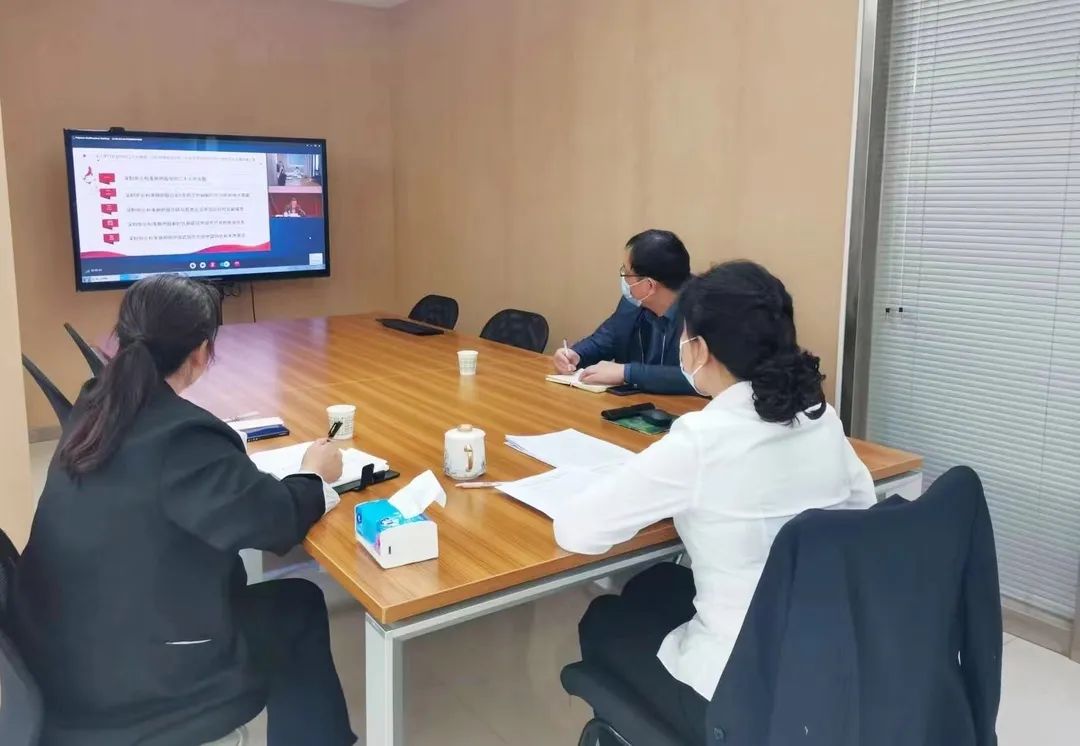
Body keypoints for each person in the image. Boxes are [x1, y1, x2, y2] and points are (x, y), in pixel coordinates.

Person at [10, 275, 356, 746]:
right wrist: (313, 473)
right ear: (201, 353)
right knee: (298, 606)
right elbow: (275, 521)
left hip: (57, 655)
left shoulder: (96, 404)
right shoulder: (183, 438)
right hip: (126, 688)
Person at [553, 261, 876, 743]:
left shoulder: (703, 439)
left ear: (699, 348)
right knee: (655, 583)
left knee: (604, 617)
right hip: (822, 661)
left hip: (736, 693)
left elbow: (576, 531)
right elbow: (863, 507)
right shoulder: (820, 416)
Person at [552, 229, 695, 395]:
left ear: (649, 285)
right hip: (633, 405)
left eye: (626, 273)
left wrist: (626, 373)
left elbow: (697, 377)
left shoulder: (704, 311)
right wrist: (576, 354)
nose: (624, 279)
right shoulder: (632, 303)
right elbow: (605, 339)